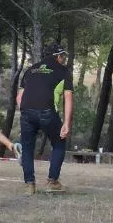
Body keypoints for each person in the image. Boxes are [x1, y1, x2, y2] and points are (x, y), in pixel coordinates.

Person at [17, 43, 74, 194]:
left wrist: (25, 112)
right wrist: (66, 123)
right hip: (47, 111)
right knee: (59, 143)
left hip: (26, 111)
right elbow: (68, 98)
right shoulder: (63, 71)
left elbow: (19, 97)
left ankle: (29, 185)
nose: (64, 59)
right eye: (63, 56)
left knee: (27, 147)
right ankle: (52, 181)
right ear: (58, 56)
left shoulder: (30, 69)